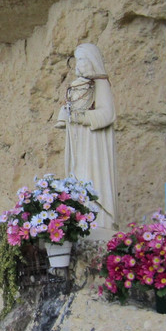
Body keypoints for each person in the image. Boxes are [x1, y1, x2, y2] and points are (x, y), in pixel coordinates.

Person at [55, 43, 118, 239]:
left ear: (92, 61)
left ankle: (100, 219)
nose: (80, 64)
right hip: (78, 141)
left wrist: (82, 117)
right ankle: (81, 217)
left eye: (83, 59)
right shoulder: (76, 86)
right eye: (77, 60)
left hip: (94, 143)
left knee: (94, 177)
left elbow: (107, 114)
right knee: (78, 177)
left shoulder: (101, 84)